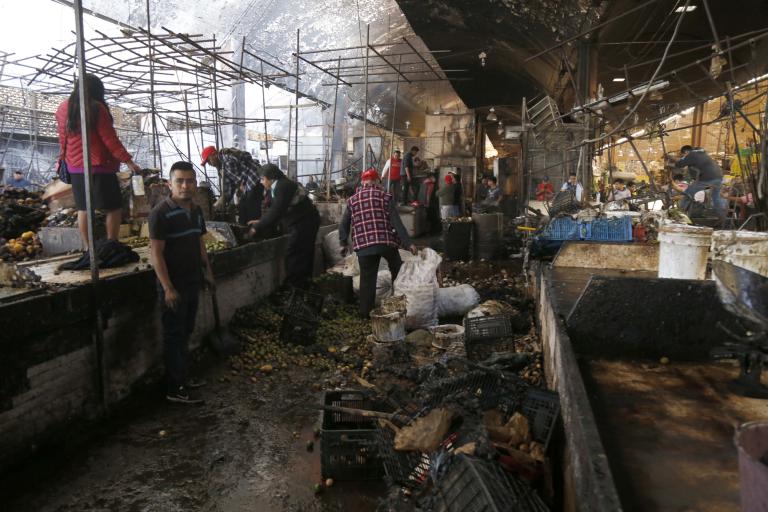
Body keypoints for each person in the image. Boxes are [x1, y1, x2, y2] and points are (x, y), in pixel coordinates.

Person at [149, 161, 214, 405]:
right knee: (174, 335)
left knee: (186, 331)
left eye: (190, 181)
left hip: (192, 281)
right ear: (170, 184)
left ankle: (183, 378)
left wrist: (208, 273)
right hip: (173, 286)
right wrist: (167, 288)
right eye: (180, 181)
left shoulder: (196, 212)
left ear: (195, 184)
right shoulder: (160, 214)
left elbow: (199, 244)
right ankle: (174, 388)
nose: (185, 186)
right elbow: (156, 254)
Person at [55, 73, 142, 246]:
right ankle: (111, 244)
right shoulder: (95, 107)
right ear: (97, 90)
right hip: (99, 166)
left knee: (83, 208)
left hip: (75, 167)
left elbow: (62, 138)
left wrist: (62, 160)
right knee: (114, 207)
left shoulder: (63, 107)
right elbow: (110, 139)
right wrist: (129, 162)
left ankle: (88, 248)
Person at [339, 169, 417, 318]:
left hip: (364, 246)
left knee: (367, 280)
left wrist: (343, 243)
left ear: (363, 182)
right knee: (397, 268)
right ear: (376, 182)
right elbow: (396, 222)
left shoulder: (352, 200)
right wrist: (408, 243)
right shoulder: (385, 197)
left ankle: (364, 314)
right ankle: (398, 303)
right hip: (385, 243)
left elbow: (343, 224)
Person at [250, 164, 320, 289]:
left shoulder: (283, 186)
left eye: (262, 179)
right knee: (302, 253)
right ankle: (303, 284)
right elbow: (275, 210)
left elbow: (276, 211)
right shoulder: (278, 186)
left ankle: (296, 286)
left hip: (304, 222)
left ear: (270, 178)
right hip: (302, 221)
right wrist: (260, 221)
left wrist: (257, 226)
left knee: (295, 253)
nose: (261, 182)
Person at [668, 145, 726, 218]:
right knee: (716, 197)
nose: (684, 157)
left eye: (683, 155)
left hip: (707, 178)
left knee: (687, 194)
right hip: (718, 177)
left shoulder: (692, 154)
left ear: (686, 152)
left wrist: (669, 164)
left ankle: (679, 214)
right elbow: (682, 160)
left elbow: (680, 164)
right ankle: (723, 217)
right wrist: (673, 158)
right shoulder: (702, 154)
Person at [201, 146, 262, 211]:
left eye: (208, 161)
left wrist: (227, 202)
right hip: (247, 184)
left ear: (214, 155)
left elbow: (240, 181)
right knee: (241, 208)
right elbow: (229, 188)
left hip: (254, 179)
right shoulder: (221, 167)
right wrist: (223, 202)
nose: (209, 164)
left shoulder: (227, 159)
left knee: (249, 207)